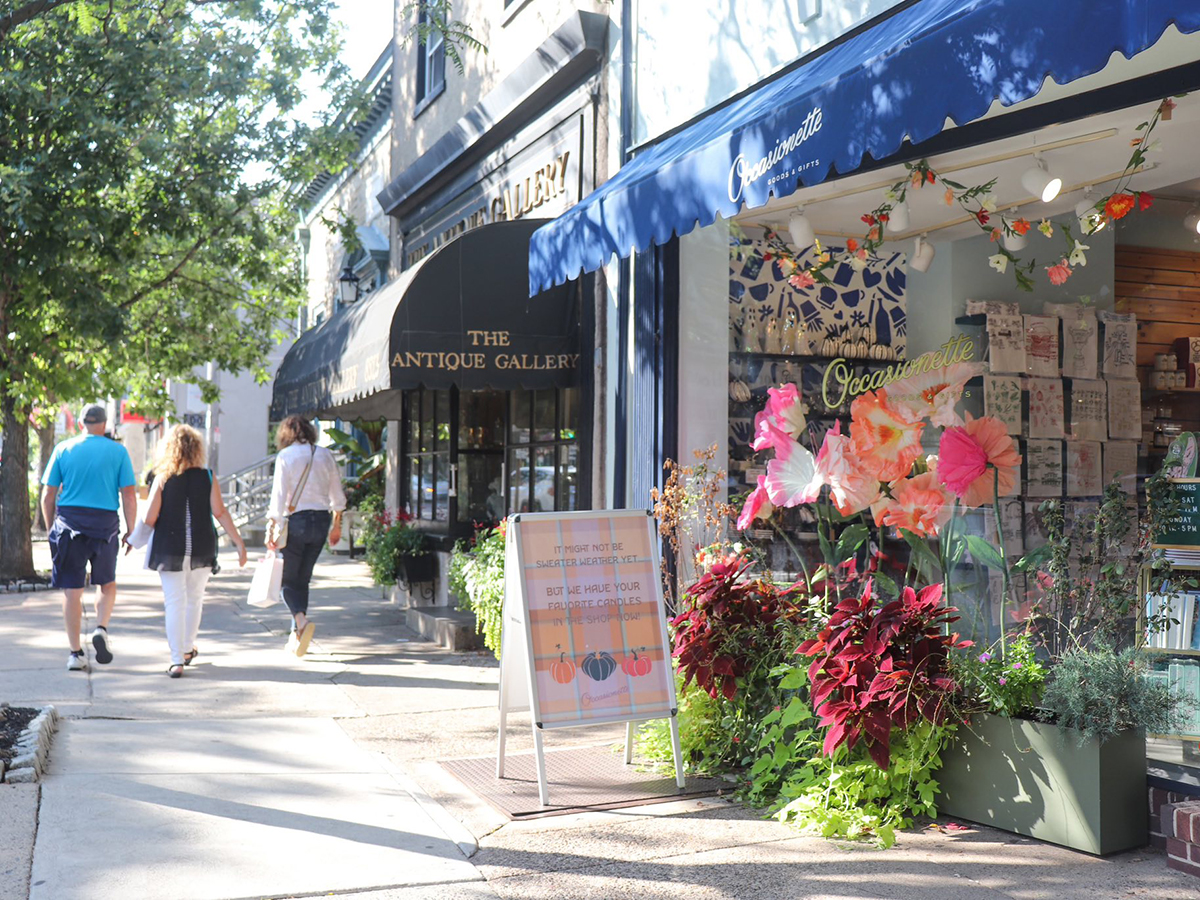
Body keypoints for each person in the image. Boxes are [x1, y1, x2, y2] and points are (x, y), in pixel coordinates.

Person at [141, 424, 248, 677]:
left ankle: (177, 659)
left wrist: (134, 539)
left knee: (174, 602)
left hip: (170, 547)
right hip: (201, 546)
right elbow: (219, 512)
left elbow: (149, 517)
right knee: (195, 599)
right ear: (197, 449)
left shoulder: (163, 478)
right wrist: (239, 543)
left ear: (169, 448)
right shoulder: (208, 477)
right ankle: (188, 648)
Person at [40, 404, 137, 672]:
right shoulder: (117, 451)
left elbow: (48, 494)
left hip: (69, 524)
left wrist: (51, 529)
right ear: (104, 425)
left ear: (81, 423)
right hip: (105, 524)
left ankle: (75, 654)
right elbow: (128, 494)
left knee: (72, 591)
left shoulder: (64, 449)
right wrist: (131, 530)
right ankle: (101, 628)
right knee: (107, 584)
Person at [266, 415, 345, 657]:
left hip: (296, 521)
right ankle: (297, 636)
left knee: (287, 581)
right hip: (321, 521)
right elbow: (337, 496)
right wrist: (336, 526)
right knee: (303, 579)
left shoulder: (286, 456)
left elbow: (278, 496)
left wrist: (272, 526)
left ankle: (300, 621)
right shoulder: (324, 455)